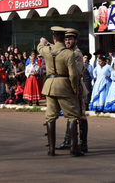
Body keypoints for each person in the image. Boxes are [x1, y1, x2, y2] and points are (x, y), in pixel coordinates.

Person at [37, 26, 83, 156]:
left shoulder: (46, 50)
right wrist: (74, 89)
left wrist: (42, 41)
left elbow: (39, 47)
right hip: (63, 86)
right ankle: (73, 148)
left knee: (51, 117)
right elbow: (73, 75)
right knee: (72, 116)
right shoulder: (69, 53)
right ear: (64, 38)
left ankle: (51, 149)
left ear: (53, 38)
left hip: (50, 86)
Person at [57, 28, 89, 153]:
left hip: (76, 87)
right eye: (66, 39)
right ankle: (68, 141)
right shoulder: (67, 52)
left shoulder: (77, 54)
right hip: (68, 87)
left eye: (70, 39)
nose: (67, 41)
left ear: (75, 40)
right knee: (71, 115)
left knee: (80, 115)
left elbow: (76, 73)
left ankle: (83, 144)